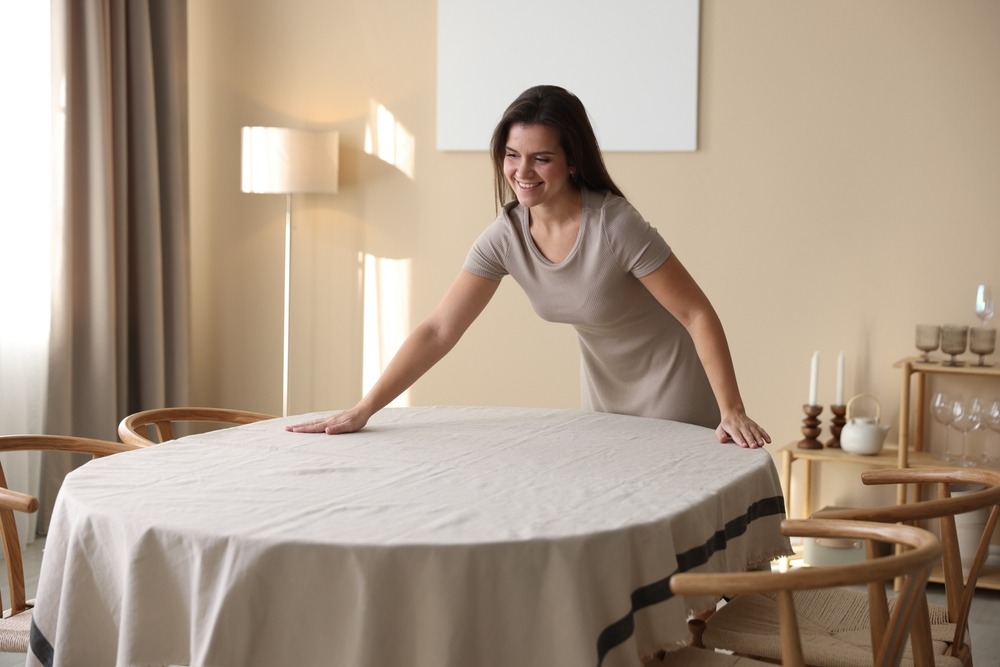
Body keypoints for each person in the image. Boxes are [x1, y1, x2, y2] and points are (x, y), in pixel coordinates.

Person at [288, 84, 769, 448]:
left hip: (674, 392)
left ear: (573, 162)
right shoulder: (506, 236)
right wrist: (365, 409)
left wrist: (732, 409)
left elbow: (695, 314)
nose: (522, 172)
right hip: (604, 400)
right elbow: (438, 329)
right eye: (512, 156)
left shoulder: (615, 225)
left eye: (541, 158)